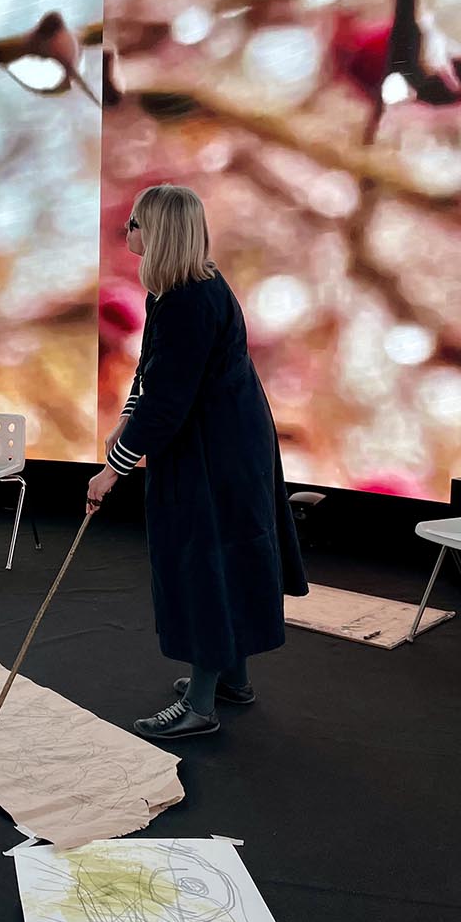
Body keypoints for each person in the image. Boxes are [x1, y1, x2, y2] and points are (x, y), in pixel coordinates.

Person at [87, 184, 308, 739]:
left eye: (134, 225)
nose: (127, 232)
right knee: (224, 557)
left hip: (215, 454)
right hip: (221, 442)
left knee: (203, 562)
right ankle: (233, 679)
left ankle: (202, 707)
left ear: (157, 232)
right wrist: (123, 421)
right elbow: (151, 375)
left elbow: (166, 403)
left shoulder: (188, 299)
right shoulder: (177, 291)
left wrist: (112, 469)